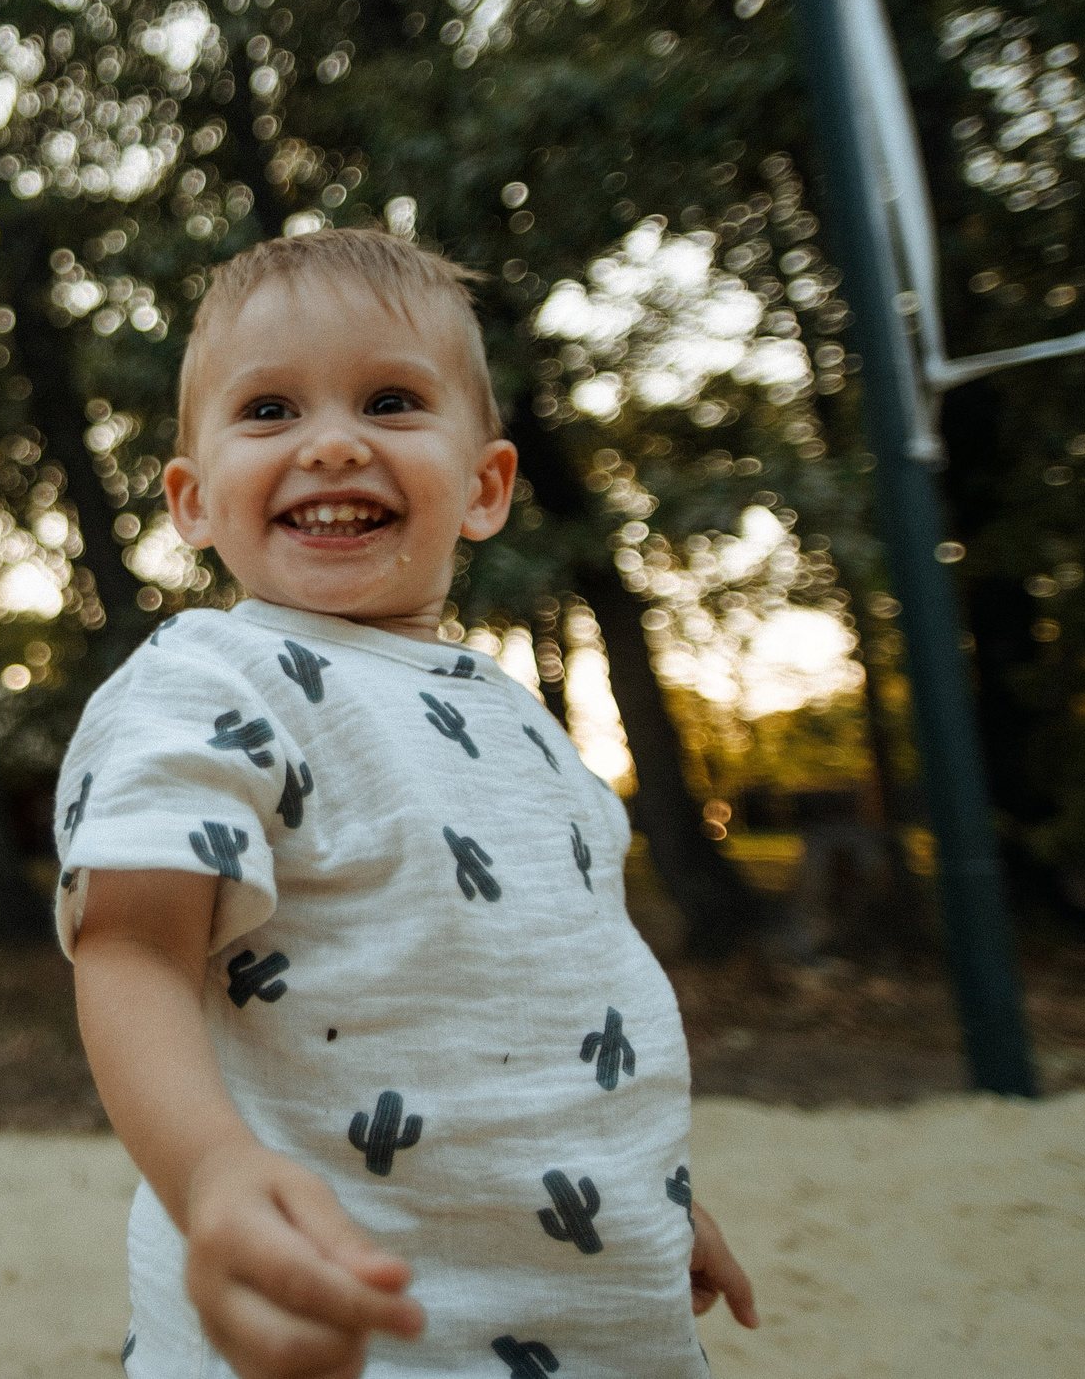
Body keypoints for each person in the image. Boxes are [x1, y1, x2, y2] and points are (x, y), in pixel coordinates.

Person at [56, 229, 757, 1378]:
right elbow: (130, 946)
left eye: (389, 401)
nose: (333, 442)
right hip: (334, 1303)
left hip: (593, 1316)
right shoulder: (210, 682)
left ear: (483, 486)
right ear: (191, 500)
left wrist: (647, 1199)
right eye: (269, 410)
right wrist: (209, 1171)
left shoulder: (521, 723)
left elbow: (568, 995)